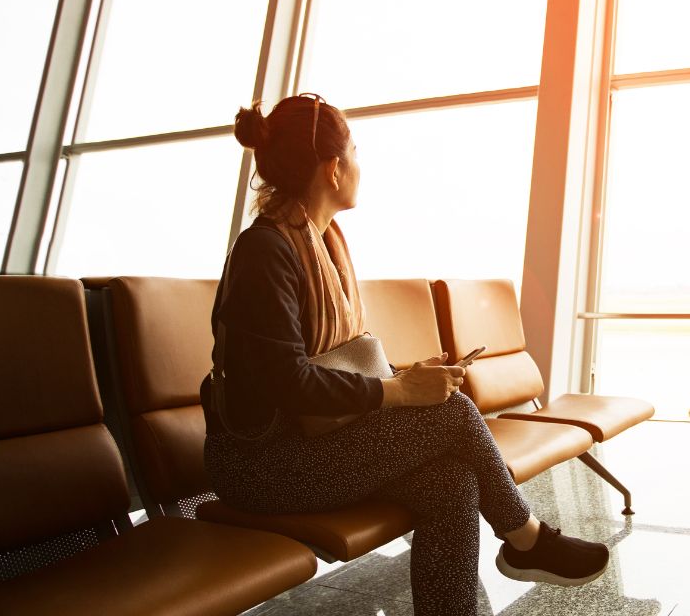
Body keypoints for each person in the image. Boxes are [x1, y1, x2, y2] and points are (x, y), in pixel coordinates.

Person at [199, 93, 608, 616]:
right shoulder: (267, 250)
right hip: (264, 464)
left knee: (450, 483)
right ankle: (526, 538)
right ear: (332, 168)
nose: (358, 166)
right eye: (354, 151)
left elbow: (338, 361)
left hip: (315, 442)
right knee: (453, 411)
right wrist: (399, 391)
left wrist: (404, 377)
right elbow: (288, 381)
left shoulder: (323, 244)